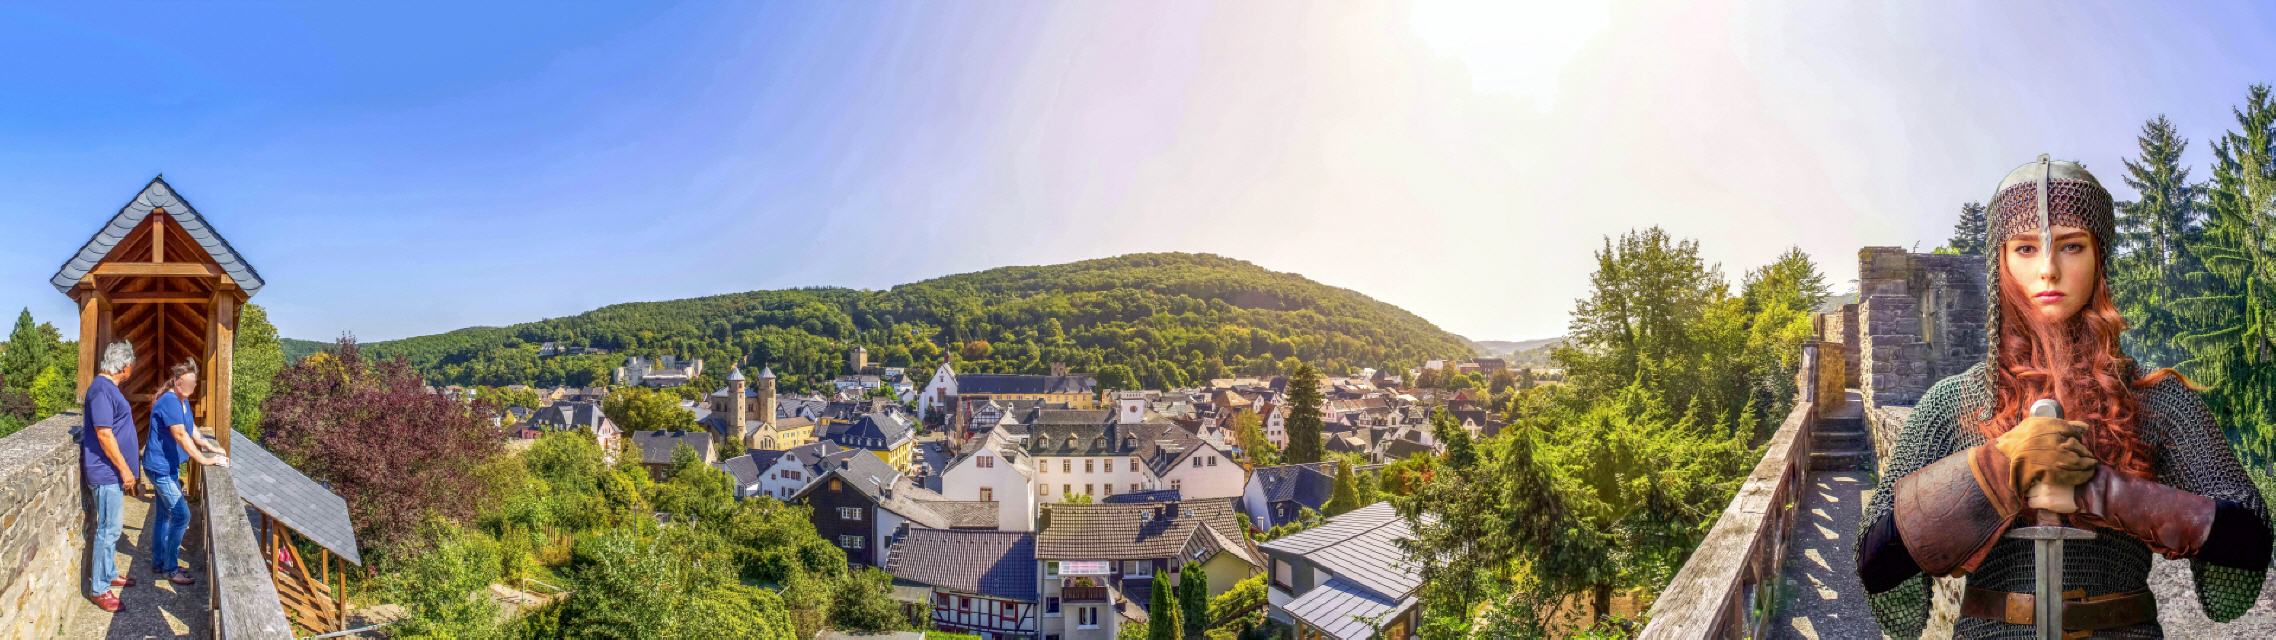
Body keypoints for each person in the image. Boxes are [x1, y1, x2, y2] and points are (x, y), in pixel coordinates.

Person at [1855, 156, 2274, 637]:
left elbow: (2251, 539)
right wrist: (1997, 468)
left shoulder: (2154, 403)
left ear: (2099, 258)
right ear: (2001, 261)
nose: (2049, 270)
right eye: (2027, 248)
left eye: (2072, 246)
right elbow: (1875, 563)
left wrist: (2100, 491)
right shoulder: (1955, 403)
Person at [143, 358, 228, 587]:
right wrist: (204, 460)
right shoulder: (170, 401)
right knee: (182, 515)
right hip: (160, 468)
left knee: (163, 515)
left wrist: (209, 446)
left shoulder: (181, 400)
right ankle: (171, 568)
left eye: (194, 385)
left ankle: (160, 562)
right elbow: (180, 435)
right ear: (177, 382)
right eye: (188, 384)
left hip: (167, 467)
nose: (191, 389)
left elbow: (191, 428)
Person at [81, 340, 142, 613]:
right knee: (108, 530)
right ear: (125, 366)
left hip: (110, 473)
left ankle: (110, 572)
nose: (134, 368)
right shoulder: (102, 390)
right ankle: (99, 589)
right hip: (106, 473)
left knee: (112, 528)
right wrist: (125, 469)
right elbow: (104, 434)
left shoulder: (107, 389)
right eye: (132, 364)